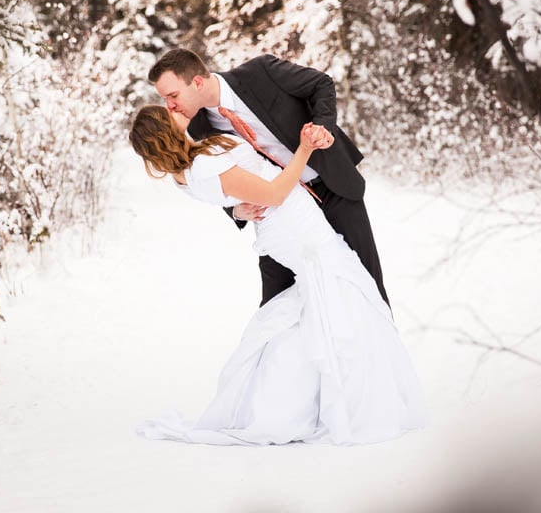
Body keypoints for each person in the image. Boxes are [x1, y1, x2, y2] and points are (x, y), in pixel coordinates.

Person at [128, 105, 426, 445]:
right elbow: (273, 194)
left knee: (328, 299)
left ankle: (300, 397)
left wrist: (238, 207)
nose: (174, 110)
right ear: (165, 132)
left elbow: (233, 190)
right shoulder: (204, 164)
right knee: (342, 293)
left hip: (291, 224)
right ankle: (345, 404)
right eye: (167, 115)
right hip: (296, 227)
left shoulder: (188, 172)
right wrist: (304, 150)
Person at [149, 48, 389, 308]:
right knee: (276, 303)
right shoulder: (197, 127)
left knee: (367, 287)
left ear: (196, 82)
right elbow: (219, 176)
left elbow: (321, 83)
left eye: (172, 96)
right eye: (164, 99)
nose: (169, 106)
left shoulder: (259, 73)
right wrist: (236, 211)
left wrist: (323, 126)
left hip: (331, 186)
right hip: (279, 215)